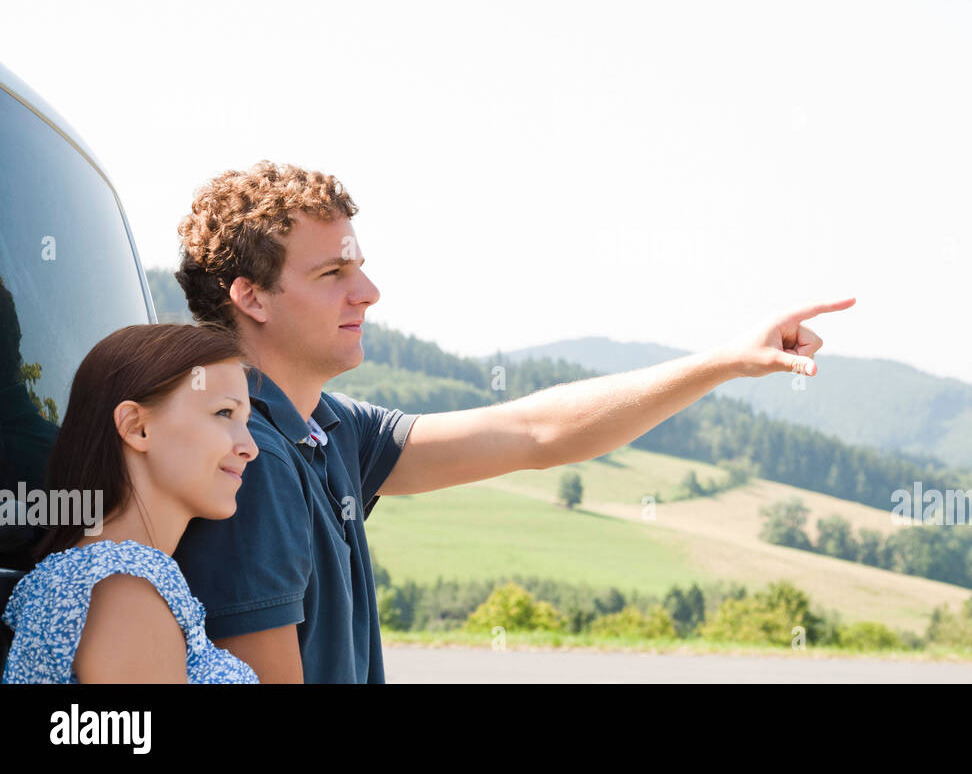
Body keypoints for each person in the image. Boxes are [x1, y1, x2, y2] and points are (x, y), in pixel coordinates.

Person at [170, 160, 854, 683]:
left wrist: (727, 361)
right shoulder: (248, 457)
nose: (369, 292)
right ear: (251, 297)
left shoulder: (324, 429)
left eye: (362, 267)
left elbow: (536, 432)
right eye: (333, 273)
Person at [2, 324, 259, 683]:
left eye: (246, 421)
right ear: (137, 427)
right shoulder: (124, 593)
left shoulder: (103, 580)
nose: (250, 447)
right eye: (224, 413)